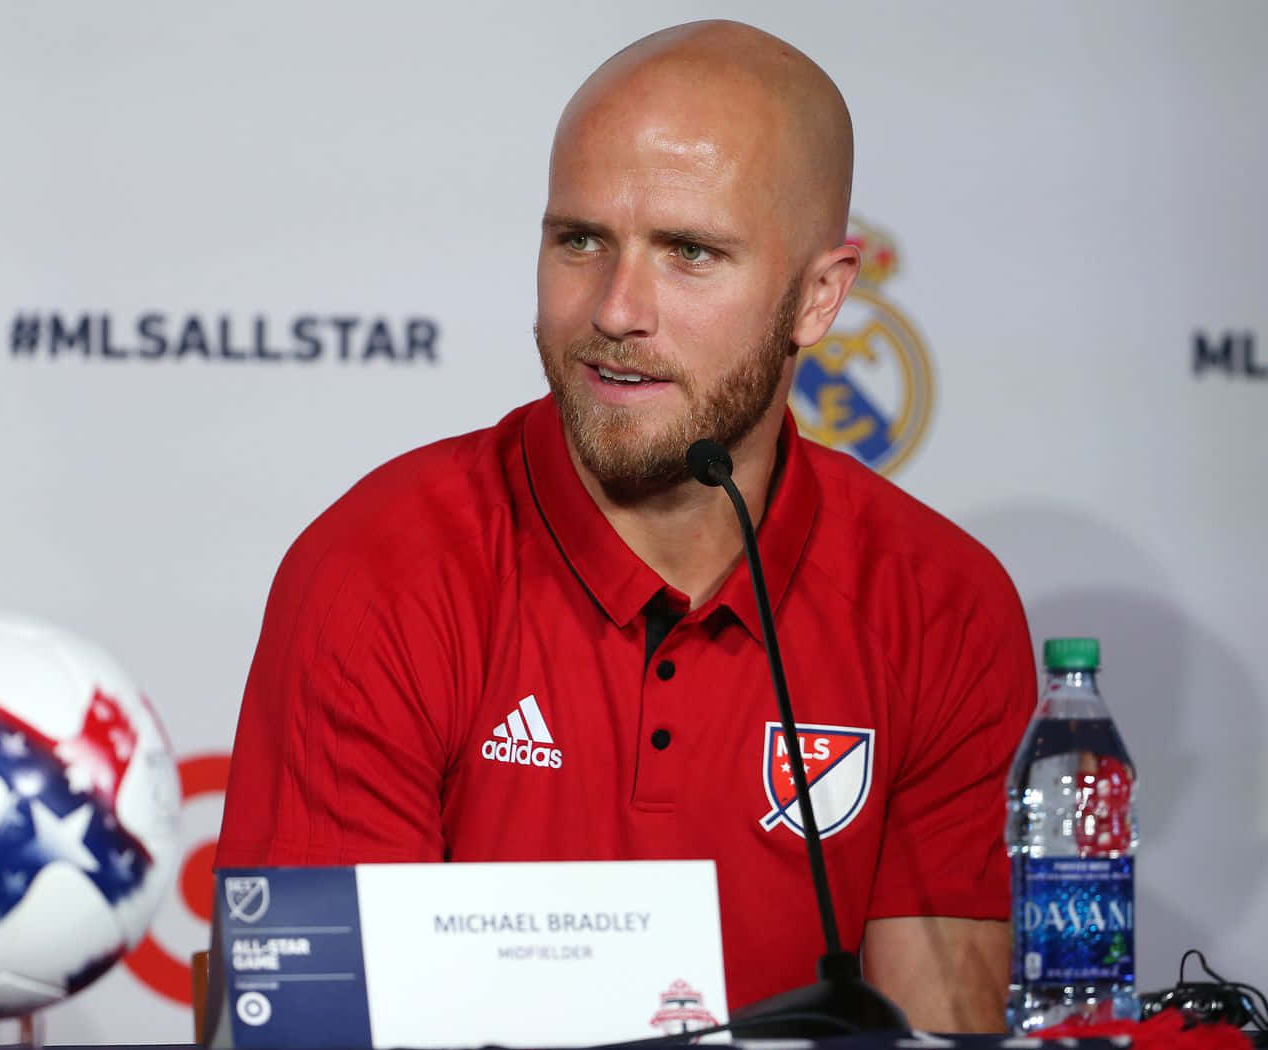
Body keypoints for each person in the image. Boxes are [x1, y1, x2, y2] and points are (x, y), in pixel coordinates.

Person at [216, 19, 1035, 1033]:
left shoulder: (938, 604)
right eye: (580, 240)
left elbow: (938, 1026)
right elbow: (313, 1023)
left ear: (818, 297)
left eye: (689, 253)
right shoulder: (378, 570)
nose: (613, 308)